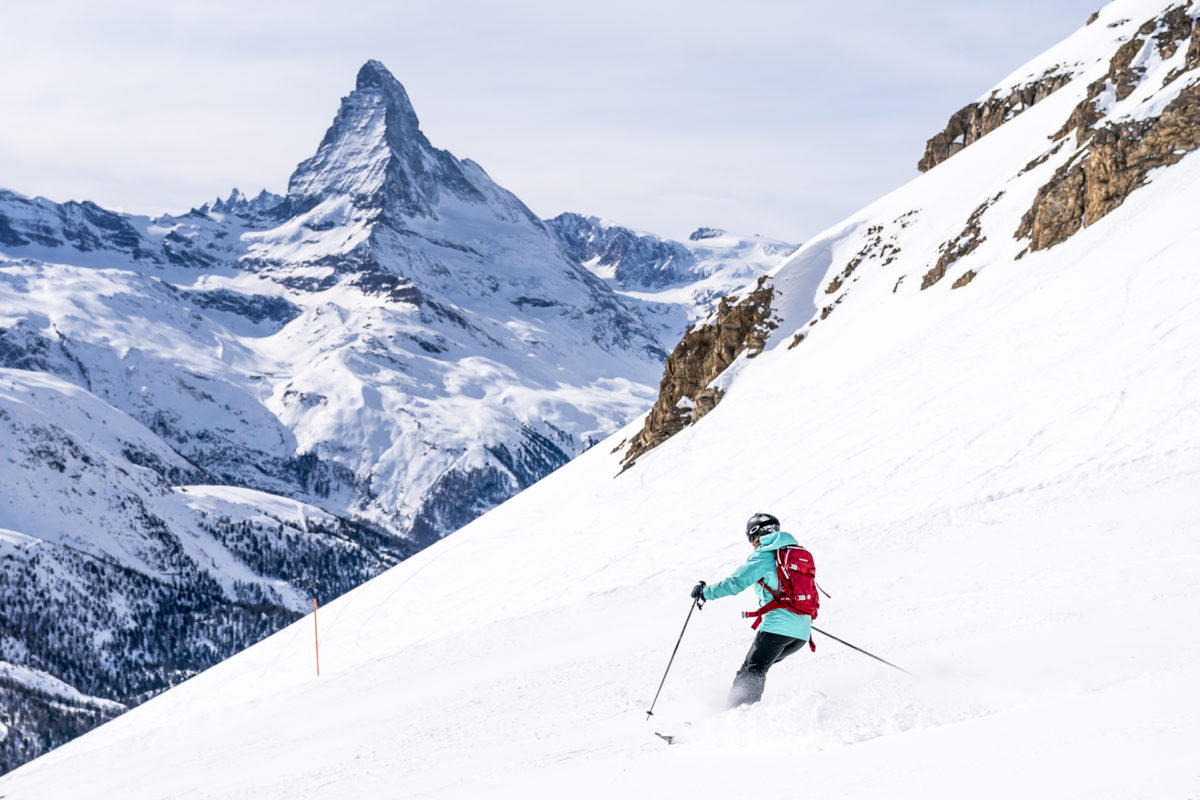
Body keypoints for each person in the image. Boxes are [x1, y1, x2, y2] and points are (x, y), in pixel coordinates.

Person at [691, 512, 814, 707]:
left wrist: (705, 593)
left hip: (777, 629)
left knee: (752, 671)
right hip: (801, 632)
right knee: (757, 669)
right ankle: (740, 714)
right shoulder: (795, 553)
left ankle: (735, 719)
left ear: (754, 534)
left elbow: (735, 583)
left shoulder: (765, 555)